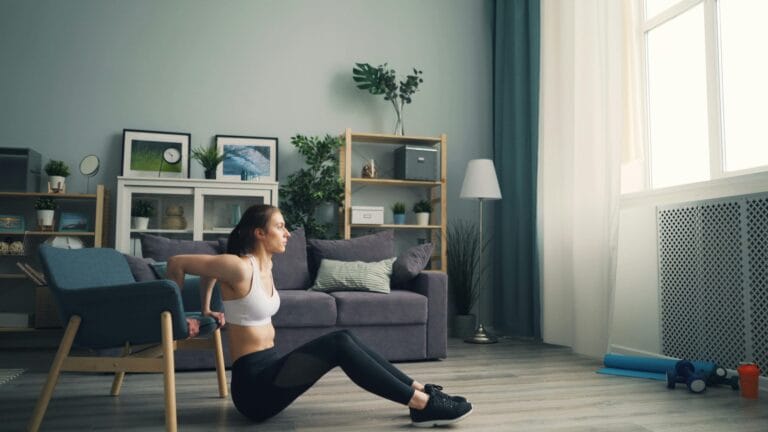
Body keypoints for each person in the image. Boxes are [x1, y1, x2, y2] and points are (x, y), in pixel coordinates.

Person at [166, 204, 473, 427]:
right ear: (259, 233)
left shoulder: (266, 266)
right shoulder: (239, 266)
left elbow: (210, 272)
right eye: (280, 227)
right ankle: (421, 405)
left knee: (346, 337)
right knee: (338, 343)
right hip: (254, 389)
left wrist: (208, 308)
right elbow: (178, 263)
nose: (287, 233)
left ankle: (419, 389)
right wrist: (181, 320)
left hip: (272, 367)